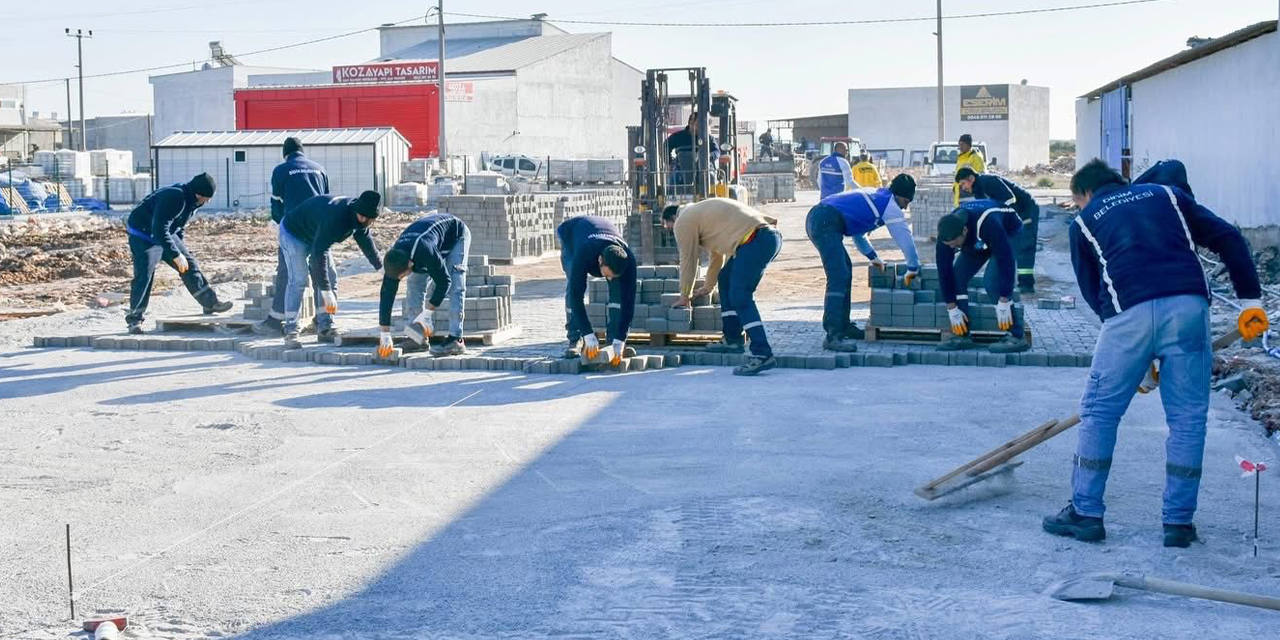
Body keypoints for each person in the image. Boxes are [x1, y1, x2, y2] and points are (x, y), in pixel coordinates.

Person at [1042, 159, 1267, 548]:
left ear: (1085, 194)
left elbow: (1096, 294)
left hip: (1128, 314)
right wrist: (1251, 302)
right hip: (1189, 308)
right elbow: (1229, 236)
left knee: (1099, 414)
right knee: (1188, 419)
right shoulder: (1168, 195)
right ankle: (1178, 524)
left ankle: (1085, 513)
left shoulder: (1083, 222)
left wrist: (1135, 353)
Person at [662, 198, 781, 376]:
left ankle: (762, 353)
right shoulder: (703, 215)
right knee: (725, 279)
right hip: (767, 237)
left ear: (672, 219)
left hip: (755, 240)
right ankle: (732, 339)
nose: (672, 232)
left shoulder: (683, 220)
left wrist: (685, 296)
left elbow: (688, 259)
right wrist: (709, 287)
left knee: (740, 296)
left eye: (668, 228)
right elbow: (716, 257)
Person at [807, 175, 919, 351]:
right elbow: (904, 238)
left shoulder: (878, 198)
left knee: (846, 269)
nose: (906, 206)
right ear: (899, 195)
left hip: (823, 217)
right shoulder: (889, 205)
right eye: (906, 200)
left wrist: (875, 259)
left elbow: (858, 234)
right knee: (838, 274)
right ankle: (833, 335)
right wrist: (913, 266)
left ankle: (844, 326)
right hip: (824, 220)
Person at [124, 172, 231, 333]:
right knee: (144, 275)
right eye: (207, 198)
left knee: (189, 265)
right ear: (198, 194)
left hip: (165, 232)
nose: (208, 201)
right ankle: (135, 319)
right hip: (143, 234)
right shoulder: (175, 197)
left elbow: (177, 226)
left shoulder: (193, 202)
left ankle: (210, 303)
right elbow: (159, 229)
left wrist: (181, 251)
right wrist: (175, 254)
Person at [278, 191, 383, 349]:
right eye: (362, 217)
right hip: (294, 233)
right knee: (299, 280)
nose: (364, 221)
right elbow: (318, 255)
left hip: (317, 233)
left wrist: (380, 267)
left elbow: (365, 240)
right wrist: (325, 291)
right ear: (356, 211)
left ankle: (325, 326)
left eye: (369, 220)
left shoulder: (362, 218)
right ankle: (291, 330)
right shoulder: (336, 218)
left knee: (331, 277)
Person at [255, 137, 329, 336]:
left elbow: (276, 205)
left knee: (287, 273)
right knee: (321, 273)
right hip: (318, 229)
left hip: (294, 230)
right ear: (302, 151)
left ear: (285, 154)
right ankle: (323, 321)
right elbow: (326, 201)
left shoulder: (281, 170)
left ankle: (276, 320)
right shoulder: (319, 169)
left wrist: (280, 224)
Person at [934, 199, 1030, 354]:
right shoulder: (946, 235)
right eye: (948, 244)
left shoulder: (988, 222)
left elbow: (1006, 260)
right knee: (957, 276)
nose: (952, 247)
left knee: (992, 282)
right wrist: (951, 307)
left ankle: (1017, 336)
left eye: (954, 243)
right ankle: (962, 336)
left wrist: (1005, 298)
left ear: (964, 231)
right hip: (978, 239)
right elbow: (944, 271)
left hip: (1009, 232)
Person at [376, 212, 471, 359]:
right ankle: (417, 338)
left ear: (410, 264)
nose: (399, 278)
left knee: (456, 283)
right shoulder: (394, 260)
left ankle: (456, 339)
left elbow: (444, 282)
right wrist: (384, 333)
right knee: (414, 283)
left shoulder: (425, 251)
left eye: (402, 275)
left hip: (455, 235)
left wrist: (427, 314)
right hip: (425, 242)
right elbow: (386, 296)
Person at [557, 215, 637, 364]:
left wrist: (621, 339)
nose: (610, 279)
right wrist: (588, 333)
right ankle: (575, 339)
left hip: (602, 233)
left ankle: (612, 340)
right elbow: (577, 296)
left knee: (619, 291)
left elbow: (629, 303)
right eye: (607, 275)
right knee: (574, 284)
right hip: (572, 235)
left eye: (613, 275)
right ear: (600, 261)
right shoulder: (584, 253)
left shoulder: (629, 260)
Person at [955, 167, 1040, 293]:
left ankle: (1026, 284)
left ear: (971, 178)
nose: (963, 188)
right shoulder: (979, 191)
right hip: (1013, 213)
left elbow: (1010, 200)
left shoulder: (988, 181)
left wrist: (1012, 221)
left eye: (963, 183)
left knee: (1024, 245)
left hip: (1026, 210)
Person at [666, 112, 719, 186]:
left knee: (710, 177)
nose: (700, 127)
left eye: (703, 125)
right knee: (674, 179)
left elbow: (716, 151)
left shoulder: (708, 138)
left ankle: (710, 194)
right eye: (698, 125)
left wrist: (709, 156)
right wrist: (669, 162)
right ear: (690, 123)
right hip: (681, 169)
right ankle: (673, 196)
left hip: (703, 169)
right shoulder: (677, 137)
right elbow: (665, 147)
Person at [952, 133, 986, 206]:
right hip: (960, 198)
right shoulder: (960, 159)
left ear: (969, 145)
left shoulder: (975, 158)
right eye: (959, 144)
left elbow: (981, 177)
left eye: (962, 144)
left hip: (971, 198)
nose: (960, 147)